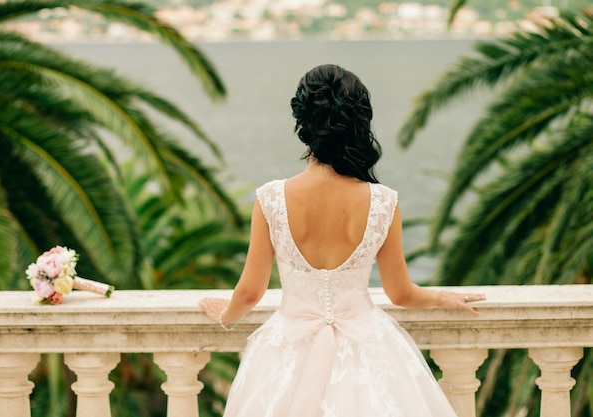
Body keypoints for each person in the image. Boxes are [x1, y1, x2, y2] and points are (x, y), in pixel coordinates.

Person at [199, 64, 485, 417]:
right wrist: (443, 297)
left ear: (303, 124)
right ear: (358, 124)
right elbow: (401, 293)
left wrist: (225, 315)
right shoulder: (383, 202)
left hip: (288, 349)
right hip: (367, 349)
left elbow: (249, 293)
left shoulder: (271, 199)